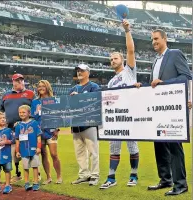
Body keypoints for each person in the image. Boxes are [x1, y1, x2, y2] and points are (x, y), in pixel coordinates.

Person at [147, 29, 192, 196]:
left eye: (156, 39)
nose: (154, 42)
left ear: (165, 39)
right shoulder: (155, 61)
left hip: (173, 108)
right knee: (159, 144)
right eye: (152, 40)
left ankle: (181, 184)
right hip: (158, 108)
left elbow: (187, 76)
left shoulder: (175, 53)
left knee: (174, 145)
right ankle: (165, 179)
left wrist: (164, 83)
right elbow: (153, 85)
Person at [100, 19, 139, 189]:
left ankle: (134, 175)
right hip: (115, 118)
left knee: (132, 146)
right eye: (111, 59)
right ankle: (111, 177)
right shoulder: (110, 82)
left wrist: (127, 31)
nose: (112, 60)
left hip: (129, 115)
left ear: (122, 60)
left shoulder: (129, 71)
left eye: (115, 58)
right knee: (114, 147)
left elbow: (131, 50)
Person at [0, 73, 36, 183]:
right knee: (13, 152)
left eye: (21, 80)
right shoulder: (6, 95)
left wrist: (25, 123)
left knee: (28, 150)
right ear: (13, 82)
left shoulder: (30, 94)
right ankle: (17, 173)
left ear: (23, 81)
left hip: (27, 129)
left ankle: (36, 174)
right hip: (11, 129)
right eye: (16, 80)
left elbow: (35, 111)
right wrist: (2, 121)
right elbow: (0, 110)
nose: (19, 82)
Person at [69, 64, 100, 186]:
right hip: (76, 125)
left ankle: (94, 175)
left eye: (82, 70)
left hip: (89, 123)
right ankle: (83, 175)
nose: (79, 72)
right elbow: (68, 107)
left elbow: (95, 102)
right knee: (80, 152)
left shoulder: (93, 86)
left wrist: (80, 97)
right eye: (78, 71)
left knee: (93, 151)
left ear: (88, 72)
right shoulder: (73, 88)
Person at [31, 80, 62, 185]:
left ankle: (59, 176)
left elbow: (59, 115)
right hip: (40, 132)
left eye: (43, 86)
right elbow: (33, 117)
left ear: (47, 87)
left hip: (51, 131)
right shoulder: (35, 102)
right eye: (39, 86)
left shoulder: (54, 100)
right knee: (44, 155)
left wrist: (57, 129)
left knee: (54, 154)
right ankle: (48, 177)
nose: (40, 88)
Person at [15, 105, 42, 191]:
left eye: (23, 112)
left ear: (29, 113)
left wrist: (39, 147)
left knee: (35, 166)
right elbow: (17, 140)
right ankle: (26, 183)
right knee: (25, 167)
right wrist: (17, 151)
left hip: (34, 149)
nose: (21, 114)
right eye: (20, 112)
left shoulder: (34, 123)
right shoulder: (18, 126)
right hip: (23, 150)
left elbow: (38, 137)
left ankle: (35, 182)